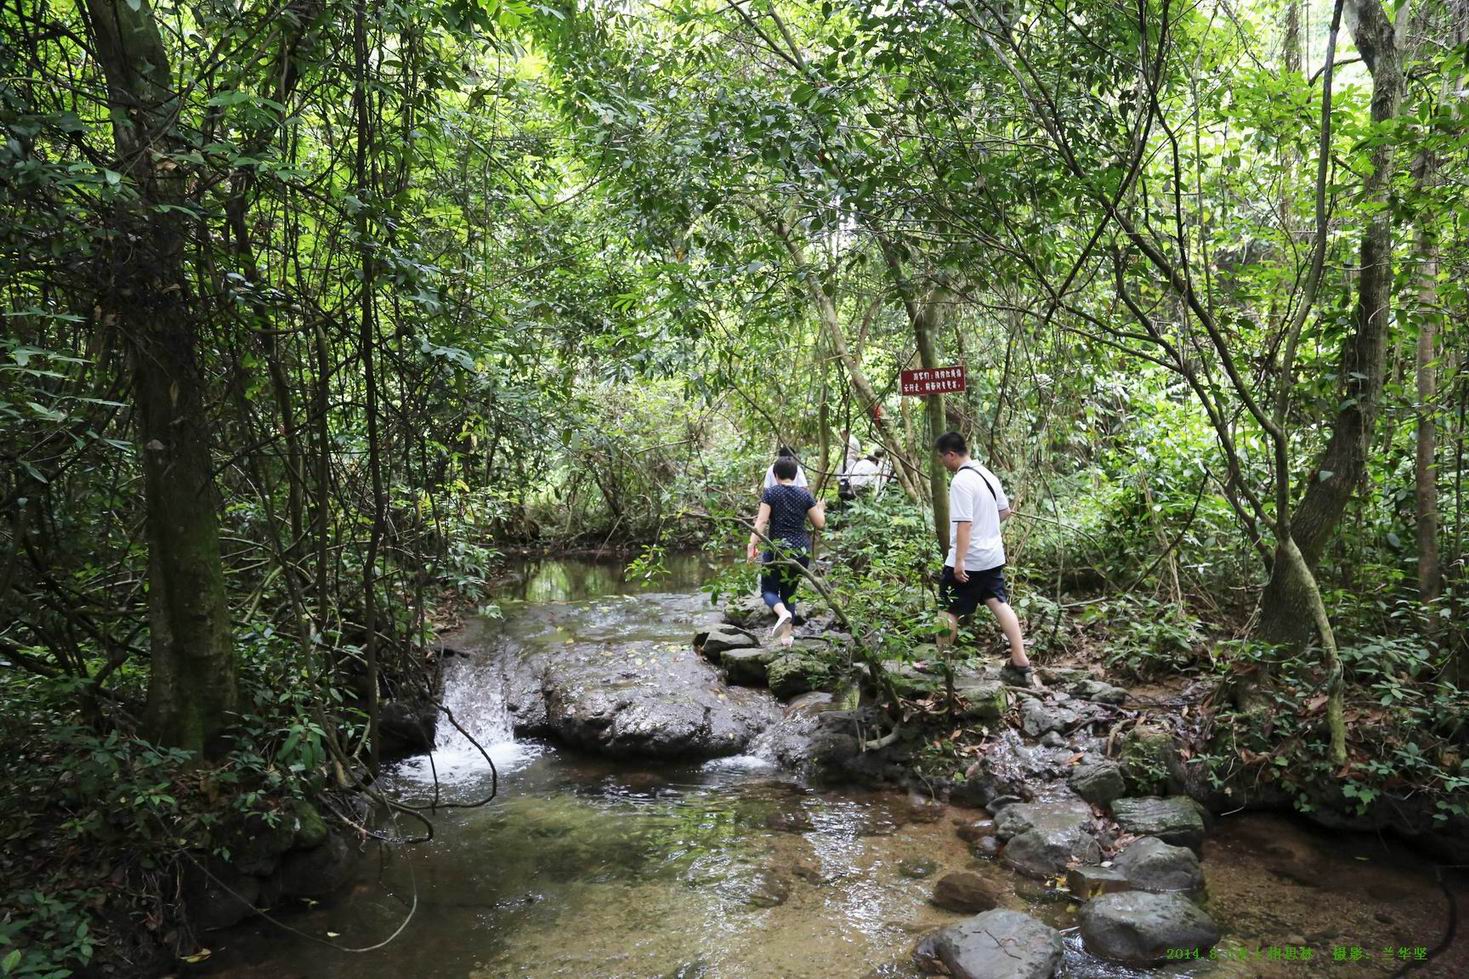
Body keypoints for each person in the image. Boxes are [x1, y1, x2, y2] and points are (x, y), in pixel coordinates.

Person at [933, 431, 1036, 688]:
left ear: (951, 454)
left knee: (948, 609)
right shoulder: (986, 474)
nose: (942, 463)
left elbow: (964, 524)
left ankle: (941, 664)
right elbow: (1004, 511)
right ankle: (1021, 661)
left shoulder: (961, 482)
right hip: (992, 556)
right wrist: (987, 526)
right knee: (998, 602)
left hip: (970, 559)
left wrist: (959, 561)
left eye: (941, 458)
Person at [747, 456, 825, 645]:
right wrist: (820, 508)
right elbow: (820, 523)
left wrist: (752, 545)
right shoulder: (805, 495)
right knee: (789, 591)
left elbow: (762, 521)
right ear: (796, 474)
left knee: (768, 591)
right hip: (801, 550)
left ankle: (782, 613)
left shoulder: (771, 494)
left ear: (775, 475)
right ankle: (786, 637)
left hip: (778, 549)